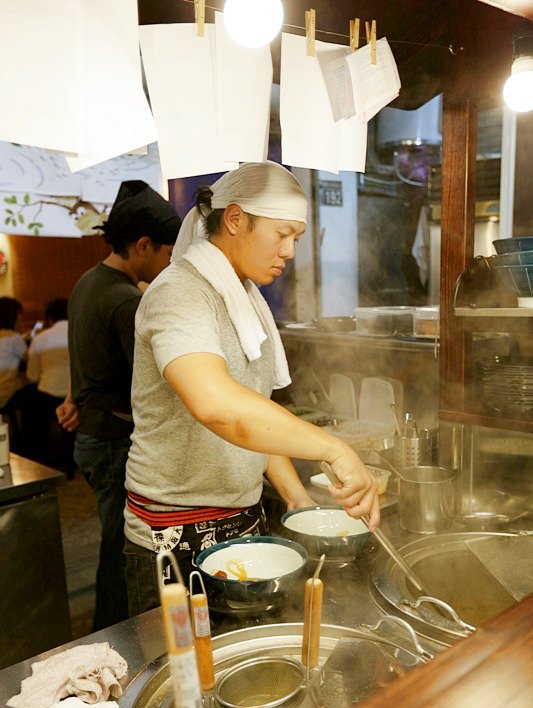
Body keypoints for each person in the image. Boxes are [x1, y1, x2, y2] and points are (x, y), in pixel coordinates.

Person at [124, 161, 379, 616]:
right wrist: (334, 449)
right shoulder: (181, 293)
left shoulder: (245, 298)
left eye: (296, 239)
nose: (289, 251)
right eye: (282, 234)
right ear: (236, 219)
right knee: (184, 679)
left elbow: (255, 413)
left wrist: (297, 496)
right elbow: (217, 405)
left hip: (244, 524)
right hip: (174, 537)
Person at [58, 180, 182, 631]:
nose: (169, 264)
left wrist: (72, 398)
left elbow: (85, 360)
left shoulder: (87, 282)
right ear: (143, 244)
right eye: (168, 254)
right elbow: (148, 383)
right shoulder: (126, 299)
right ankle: (111, 638)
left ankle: (109, 632)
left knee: (112, 542)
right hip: (111, 439)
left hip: (91, 436)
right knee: (120, 547)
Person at [24, 297, 75, 474]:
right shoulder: (79, 332)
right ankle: (72, 462)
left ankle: (41, 461)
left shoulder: (41, 339)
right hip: (77, 397)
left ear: (49, 318)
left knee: (30, 405)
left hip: (48, 397)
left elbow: (32, 376)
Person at [0, 296, 28, 411]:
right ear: (13, 316)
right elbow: (29, 360)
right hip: (4, 393)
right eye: (20, 315)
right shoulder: (14, 337)